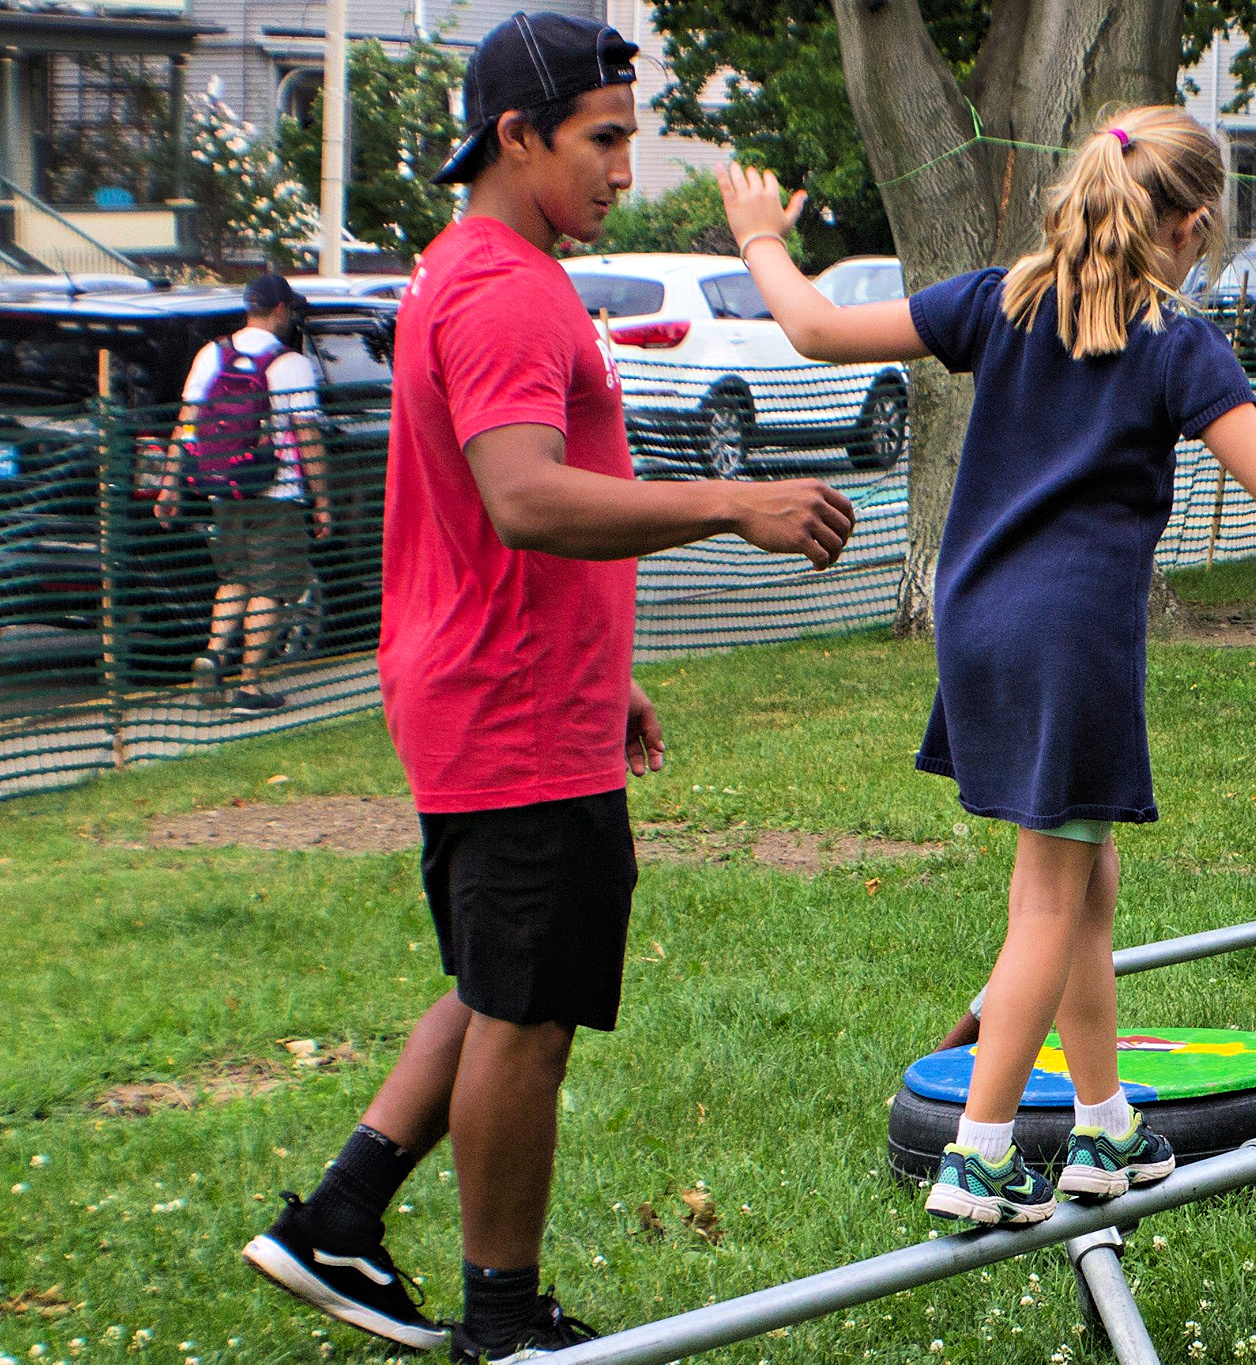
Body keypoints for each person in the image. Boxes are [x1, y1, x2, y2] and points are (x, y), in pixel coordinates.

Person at [718, 105, 1256, 1228]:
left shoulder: (997, 300)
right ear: (1191, 226)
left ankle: (1104, 1126)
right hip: (1070, 638)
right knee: (1048, 897)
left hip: (977, 622)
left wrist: (759, 237)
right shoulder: (1174, 343)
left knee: (1084, 877)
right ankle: (981, 1154)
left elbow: (812, 327)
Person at [238, 12, 855, 1361]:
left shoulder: (465, 268)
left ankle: (338, 1218)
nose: (625, 170)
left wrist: (602, 671)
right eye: (603, 140)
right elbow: (521, 497)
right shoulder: (508, 289)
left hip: (515, 687)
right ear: (516, 136)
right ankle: (503, 1326)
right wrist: (735, 502)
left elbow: (492, 511)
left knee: (497, 977)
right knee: (527, 1016)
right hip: (506, 700)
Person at [157, 272, 329, 714]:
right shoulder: (289, 363)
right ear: (280, 310)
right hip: (277, 493)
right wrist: (323, 501)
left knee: (234, 579)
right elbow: (307, 436)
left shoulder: (212, 354)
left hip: (223, 490)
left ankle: (214, 655)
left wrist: (170, 484)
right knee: (270, 588)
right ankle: (250, 687)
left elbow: (187, 424)